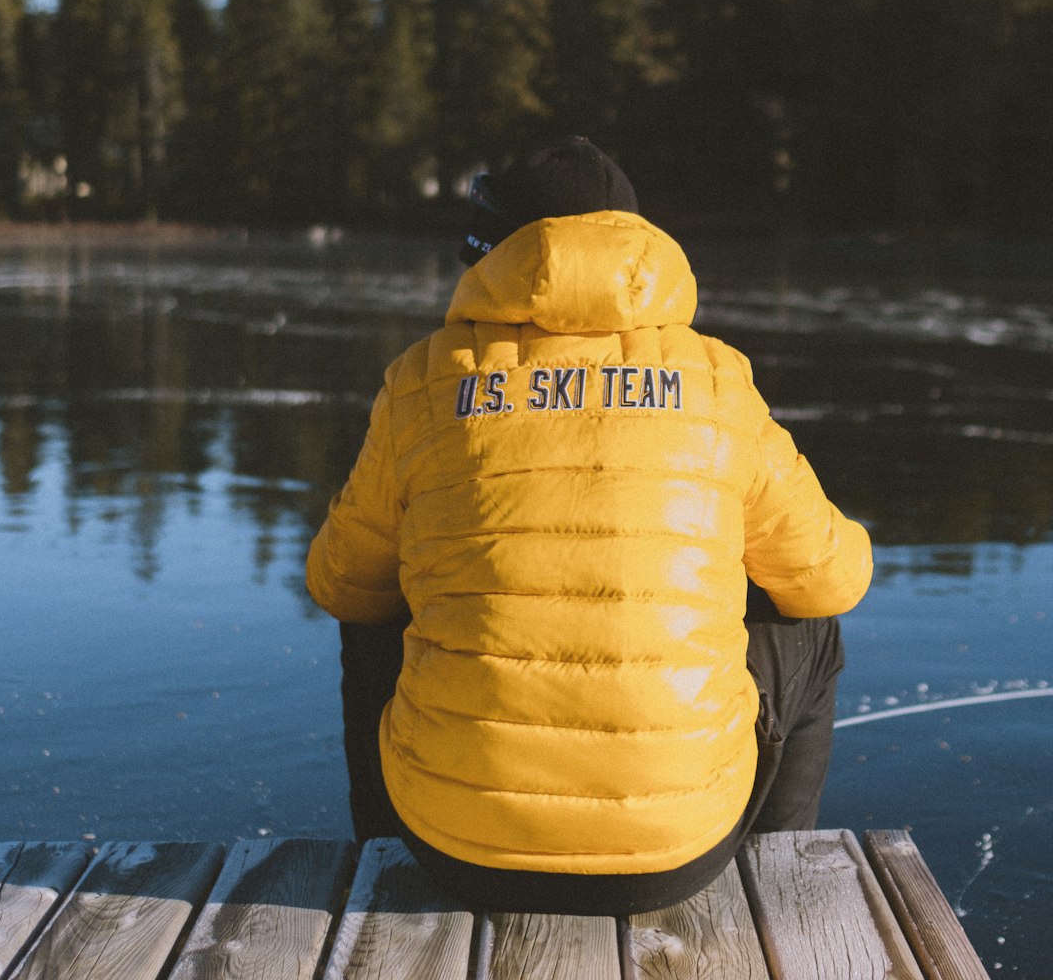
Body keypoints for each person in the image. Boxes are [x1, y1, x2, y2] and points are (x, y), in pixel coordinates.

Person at [306, 136, 871, 914]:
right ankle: (772, 873)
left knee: (371, 609)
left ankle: (380, 855)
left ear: (492, 253)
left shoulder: (426, 379)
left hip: (453, 847)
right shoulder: (716, 382)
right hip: (676, 858)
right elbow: (836, 577)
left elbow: (335, 580)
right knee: (811, 624)